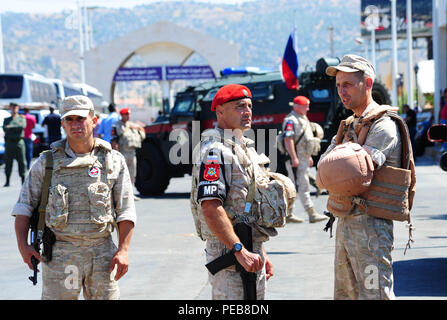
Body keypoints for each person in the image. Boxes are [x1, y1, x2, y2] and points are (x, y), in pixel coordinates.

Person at [12, 95, 136, 300]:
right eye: (69, 120)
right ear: (62, 124)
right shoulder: (46, 163)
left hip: (102, 255)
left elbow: (126, 210)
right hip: (60, 255)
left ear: (94, 120)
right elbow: (24, 206)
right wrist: (23, 246)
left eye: (80, 118)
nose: (75, 124)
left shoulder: (113, 160)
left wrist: (123, 250)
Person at [321, 54, 415, 299]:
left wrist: (337, 161)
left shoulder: (384, 125)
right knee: (345, 295)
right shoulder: (349, 124)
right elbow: (324, 172)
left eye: (348, 84)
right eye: (339, 85)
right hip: (346, 221)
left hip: (371, 228)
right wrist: (337, 163)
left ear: (368, 83)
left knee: (375, 294)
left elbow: (355, 171)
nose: (342, 91)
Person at [191, 84, 289, 300]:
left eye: (249, 106)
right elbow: (210, 206)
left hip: (250, 249)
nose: (247, 112)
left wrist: (259, 251)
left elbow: (250, 205)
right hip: (228, 251)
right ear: (219, 111)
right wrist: (238, 249)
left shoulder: (245, 148)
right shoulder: (215, 152)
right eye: (239, 106)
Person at [281, 96, 328, 223]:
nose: (308, 108)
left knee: (297, 187)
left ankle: (289, 214)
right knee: (302, 186)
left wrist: (309, 157)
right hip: (296, 160)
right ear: (297, 106)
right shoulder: (291, 120)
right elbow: (288, 139)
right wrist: (294, 158)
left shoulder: (302, 118)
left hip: (303, 158)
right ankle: (311, 213)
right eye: (305, 106)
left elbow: (306, 140)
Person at [111, 108, 145, 185]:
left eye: (129, 114)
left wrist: (139, 128)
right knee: (122, 174)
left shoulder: (133, 125)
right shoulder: (117, 125)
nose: (128, 116)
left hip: (132, 153)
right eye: (126, 114)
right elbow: (113, 140)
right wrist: (116, 153)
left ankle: (131, 194)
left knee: (132, 174)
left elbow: (142, 135)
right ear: (122, 115)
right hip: (123, 152)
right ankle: (122, 194)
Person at [3, 102, 27, 186]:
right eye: (12, 107)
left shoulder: (22, 118)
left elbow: (22, 126)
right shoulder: (6, 119)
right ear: (10, 108)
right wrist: (15, 126)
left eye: (15, 107)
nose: (14, 108)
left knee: (22, 162)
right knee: (8, 162)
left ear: (18, 108)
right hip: (9, 143)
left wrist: (11, 127)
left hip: (19, 142)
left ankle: (23, 180)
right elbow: (5, 128)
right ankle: (7, 180)